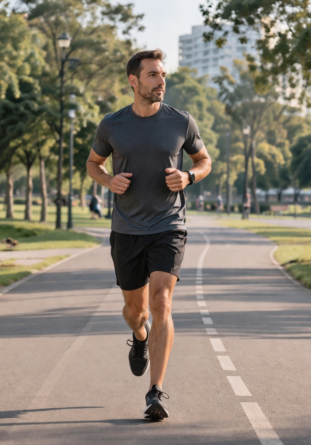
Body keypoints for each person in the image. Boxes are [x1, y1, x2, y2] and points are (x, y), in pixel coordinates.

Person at [86, 49, 212, 421]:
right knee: (135, 311)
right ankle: (139, 337)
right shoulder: (112, 125)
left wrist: (189, 176)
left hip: (168, 225)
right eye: (153, 75)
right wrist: (109, 180)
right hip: (126, 229)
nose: (161, 81)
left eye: (163, 75)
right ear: (133, 81)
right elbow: (93, 164)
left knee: (161, 301)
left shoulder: (181, 122)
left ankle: (155, 391)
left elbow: (203, 160)